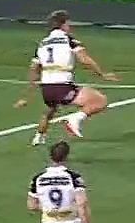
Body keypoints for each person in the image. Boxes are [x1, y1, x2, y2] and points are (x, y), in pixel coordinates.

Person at [15, 11, 117, 144]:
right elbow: (84, 59)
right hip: (62, 86)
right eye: (68, 23)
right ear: (63, 25)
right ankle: (74, 119)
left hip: (47, 89)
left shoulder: (42, 44)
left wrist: (26, 95)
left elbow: (33, 69)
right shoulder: (68, 40)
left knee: (49, 110)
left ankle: (38, 137)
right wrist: (102, 74)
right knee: (100, 100)